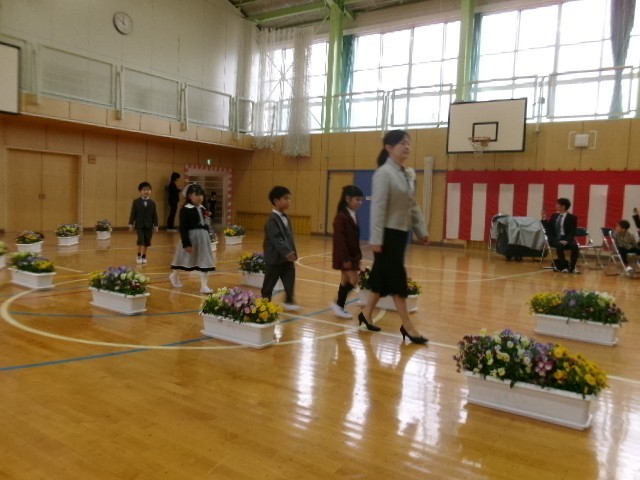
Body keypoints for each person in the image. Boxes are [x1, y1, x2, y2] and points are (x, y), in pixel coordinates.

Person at [357, 130, 429, 344]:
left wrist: (421, 229)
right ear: (389, 147)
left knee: (381, 278)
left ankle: (366, 313)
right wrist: (376, 239)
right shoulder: (383, 174)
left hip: (400, 233)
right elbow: (377, 209)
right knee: (397, 279)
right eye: (401, 143)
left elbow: (412, 204)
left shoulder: (406, 174)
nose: (406, 146)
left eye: (408, 143)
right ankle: (407, 324)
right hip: (386, 235)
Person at [169, 184, 216, 293]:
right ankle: (174, 275)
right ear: (190, 196)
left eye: (201, 195)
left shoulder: (203, 208)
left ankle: (204, 286)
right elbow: (183, 228)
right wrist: (186, 243)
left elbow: (206, 222)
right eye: (197, 195)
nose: (200, 197)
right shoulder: (185, 209)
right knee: (183, 259)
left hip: (203, 238)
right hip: (191, 238)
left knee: (205, 260)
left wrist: (208, 232)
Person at [261, 186, 300, 311]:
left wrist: (293, 252)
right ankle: (265, 302)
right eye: (286, 198)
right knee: (269, 283)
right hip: (274, 258)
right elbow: (277, 239)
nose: (289, 201)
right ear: (276, 201)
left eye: (289, 198)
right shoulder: (271, 220)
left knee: (289, 278)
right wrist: (287, 252)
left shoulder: (286, 217)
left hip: (286, 259)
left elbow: (289, 237)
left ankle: (289, 300)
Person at [330, 185, 364, 319]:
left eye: (361, 200)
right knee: (354, 280)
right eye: (357, 199)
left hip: (352, 256)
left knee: (345, 280)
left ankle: (339, 306)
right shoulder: (341, 217)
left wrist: (357, 256)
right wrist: (345, 259)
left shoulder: (353, 215)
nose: (360, 203)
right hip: (344, 256)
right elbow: (340, 240)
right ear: (347, 199)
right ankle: (337, 304)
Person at [541, 198, 580, 273]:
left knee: (574, 246)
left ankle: (572, 267)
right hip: (555, 238)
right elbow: (549, 228)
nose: (556, 205)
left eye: (557, 204)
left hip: (566, 238)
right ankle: (563, 267)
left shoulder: (572, 218)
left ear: (563, 206)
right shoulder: (554, 215)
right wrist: (544, 218)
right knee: (559, 245)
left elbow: (572, 231)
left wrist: (566, 240)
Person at [128, 181, 159, 264]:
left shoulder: (152, 202)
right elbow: (133, 213)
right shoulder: (136, 202)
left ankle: (144, 256)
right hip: (140, 225)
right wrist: (131, 223)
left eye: (148, 190)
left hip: (149, 226)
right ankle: (138, 255)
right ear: (140, 191)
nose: (146, 191)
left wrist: (156, 225)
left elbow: (155, 215)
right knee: (141, 240)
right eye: (144, 190)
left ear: (151, 191)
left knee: (147, 242)